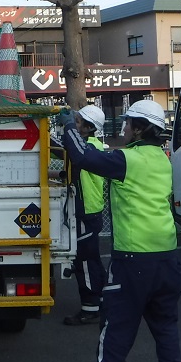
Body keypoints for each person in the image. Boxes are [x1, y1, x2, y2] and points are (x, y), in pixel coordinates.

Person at [61, 99, 181, 362]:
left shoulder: (128, 160)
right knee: (165, 323)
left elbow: (83, 155)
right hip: (167, 255)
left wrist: (66, 125)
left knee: (116, 320)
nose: (125, 128)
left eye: (129, 123)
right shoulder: (163, 160)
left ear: (141, 129)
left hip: (133, 258)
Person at [62, 105, 107, 326]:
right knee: (93, 259)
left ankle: (90, 307)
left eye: (78, 122)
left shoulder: (90, 148)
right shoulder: (92, 145)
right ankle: (101, 299)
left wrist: (67, 125)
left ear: (89, 128)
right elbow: (63, 149)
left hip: (86, 211)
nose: (75, 124)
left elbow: (75, 153)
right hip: (91, 211)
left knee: (86, 261)